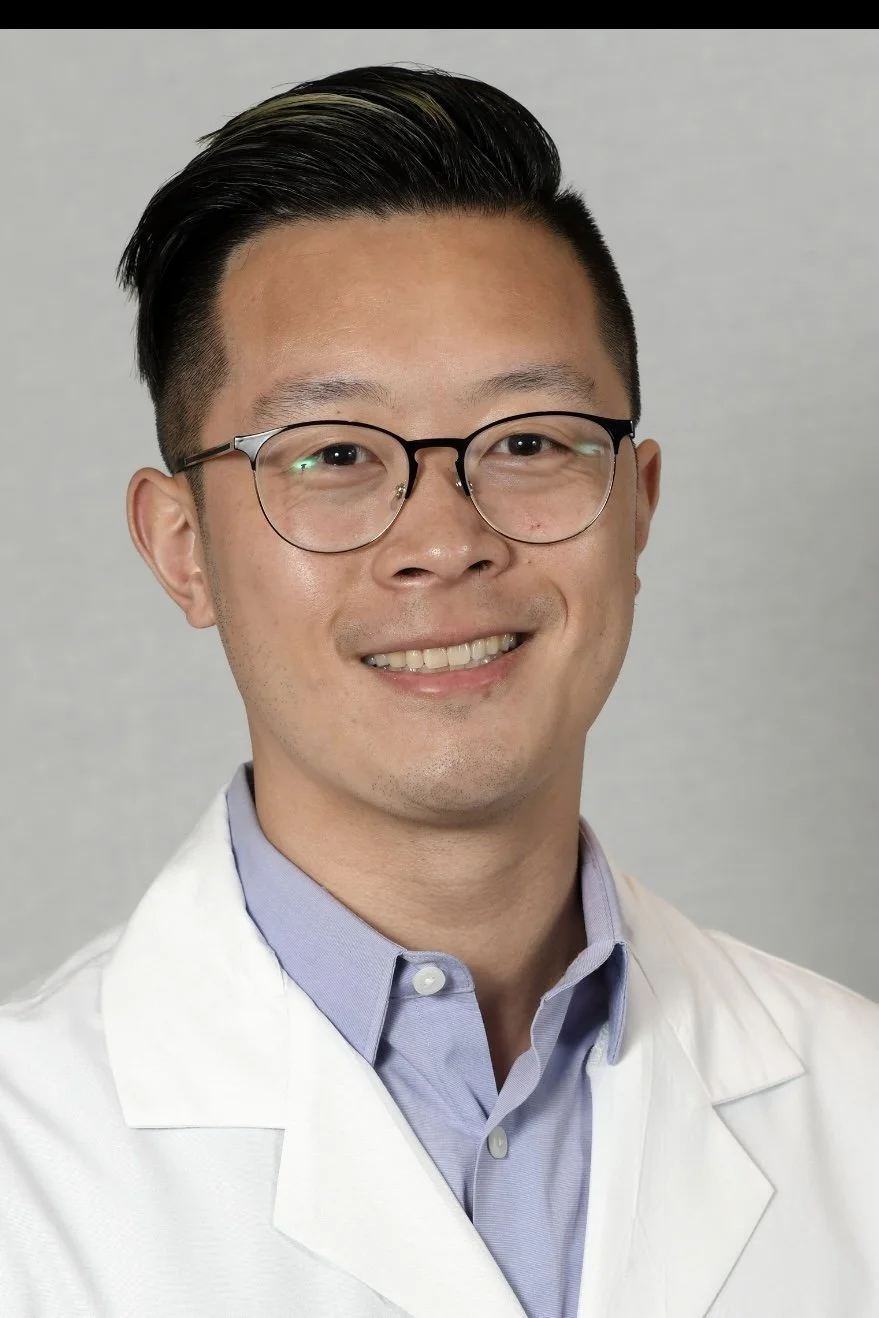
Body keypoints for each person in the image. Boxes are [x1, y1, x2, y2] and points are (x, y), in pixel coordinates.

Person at [1, 63, 877, 1318]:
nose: (444, 540)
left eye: (528, 441)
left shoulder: (857, 1105)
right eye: (334, 456)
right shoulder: (26, 1167)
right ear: (182, 546)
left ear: (636, 510)